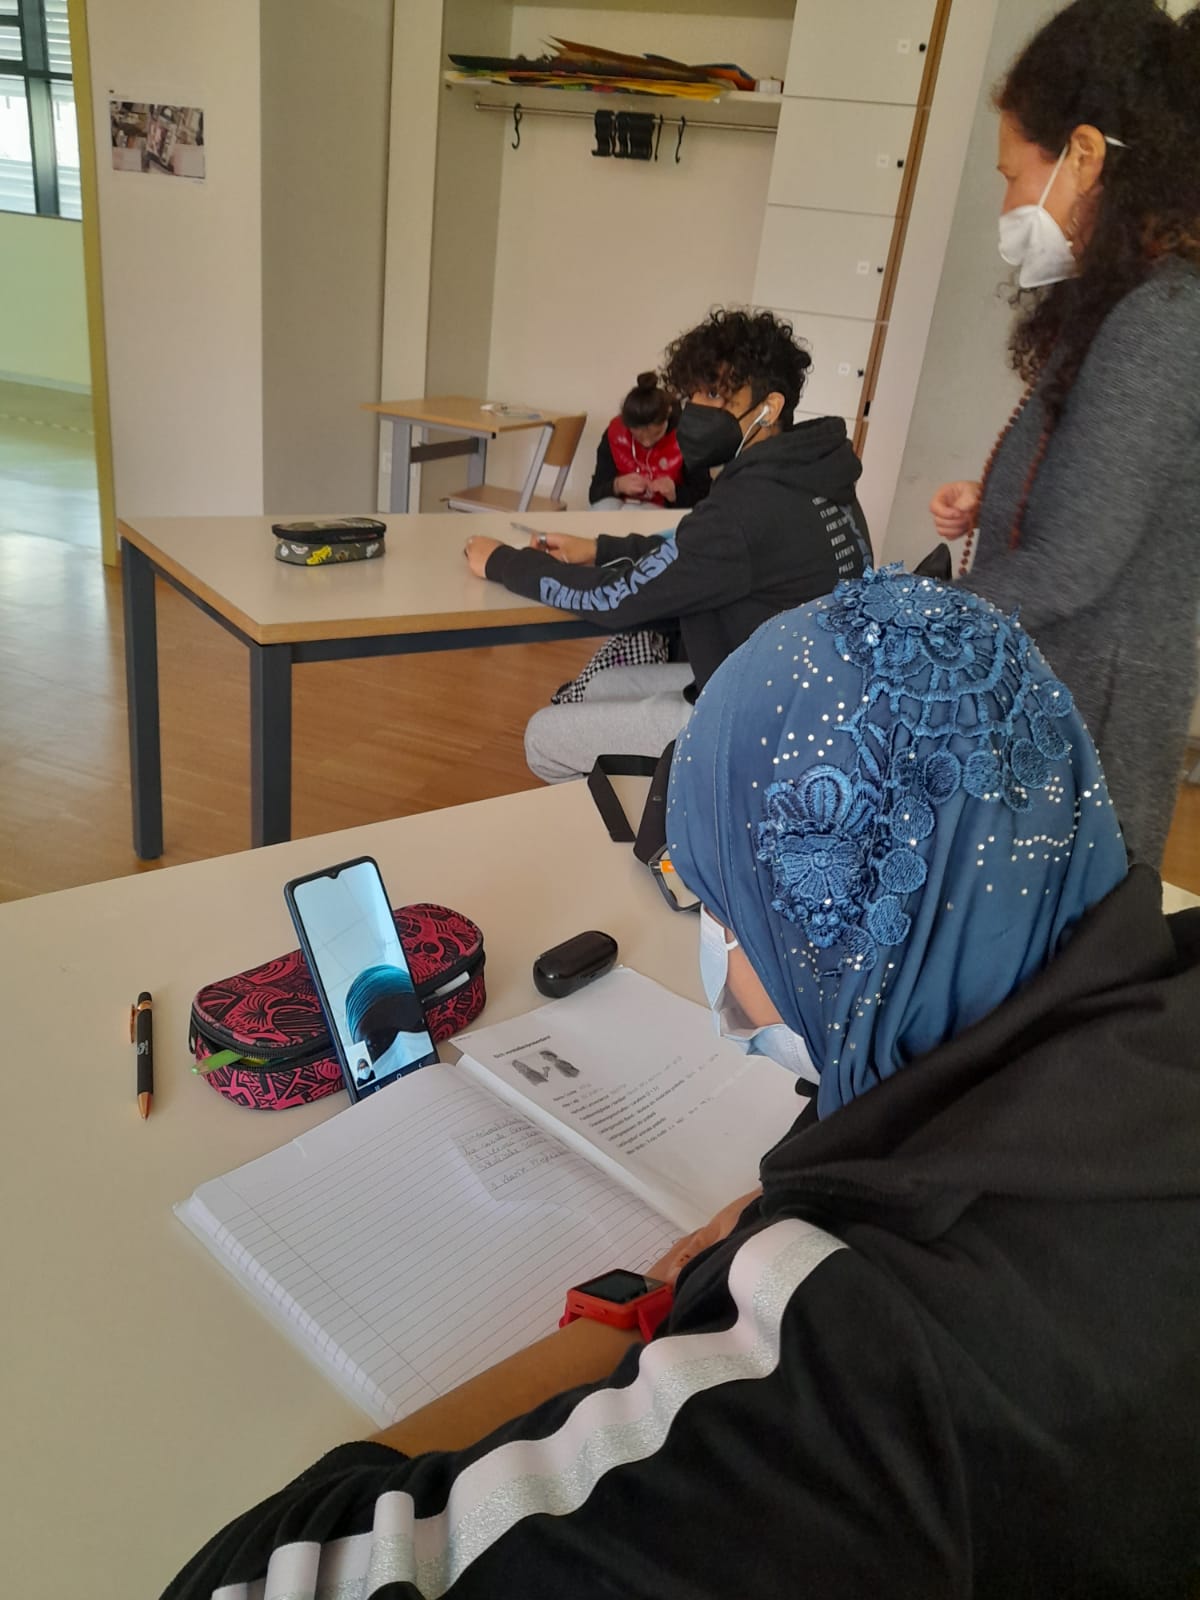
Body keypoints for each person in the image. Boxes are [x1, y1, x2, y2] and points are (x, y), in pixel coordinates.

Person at [163, 570, 1200, 1598]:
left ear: (828, 937)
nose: (716, 946)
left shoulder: (857, 1352)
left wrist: (639, 1307)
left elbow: (248, 1578)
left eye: (718, 907)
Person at [929, 0, 1200, 867]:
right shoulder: (1136, 299)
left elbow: (1074, 563)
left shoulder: (1163, 318)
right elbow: (1112, 486)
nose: (1009, 200)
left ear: (1083, 155)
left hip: (1085, 726)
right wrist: (998, 498)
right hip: (1061, 700)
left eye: (1014, 173)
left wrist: (902, 620)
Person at [464, 307, 871, 784]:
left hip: (757, 731)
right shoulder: (814, 474)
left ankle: (669, 823)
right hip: (799, 702)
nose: (697, 408)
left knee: (543, 737)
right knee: (597, 686)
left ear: (770, 407)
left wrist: (502, 562)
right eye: (694, 393)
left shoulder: (747, 507)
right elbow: (695, 556)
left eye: (715, 394)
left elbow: (613, 600)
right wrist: (598, 549)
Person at [588, 370, 710, 510]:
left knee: (634, 511)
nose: (647, 442)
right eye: (638, 436)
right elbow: (594, 493)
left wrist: (675, 493)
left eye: (656, 434)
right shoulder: (615, 433)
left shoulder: (689, 436)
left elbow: (704, 495)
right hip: (620, 507)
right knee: (604, 506)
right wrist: (617, 485)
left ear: (668, 415)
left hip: (665, 511)